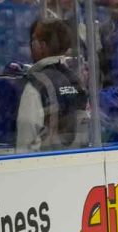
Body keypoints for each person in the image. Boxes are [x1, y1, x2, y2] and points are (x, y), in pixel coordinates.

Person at [16, 18, 88, 153]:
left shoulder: (36, 85)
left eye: (33, 40)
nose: (31, 46)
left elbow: (25, 144)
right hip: (78, 164)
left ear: (42, 46)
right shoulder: (76, 81)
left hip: (43, 167)